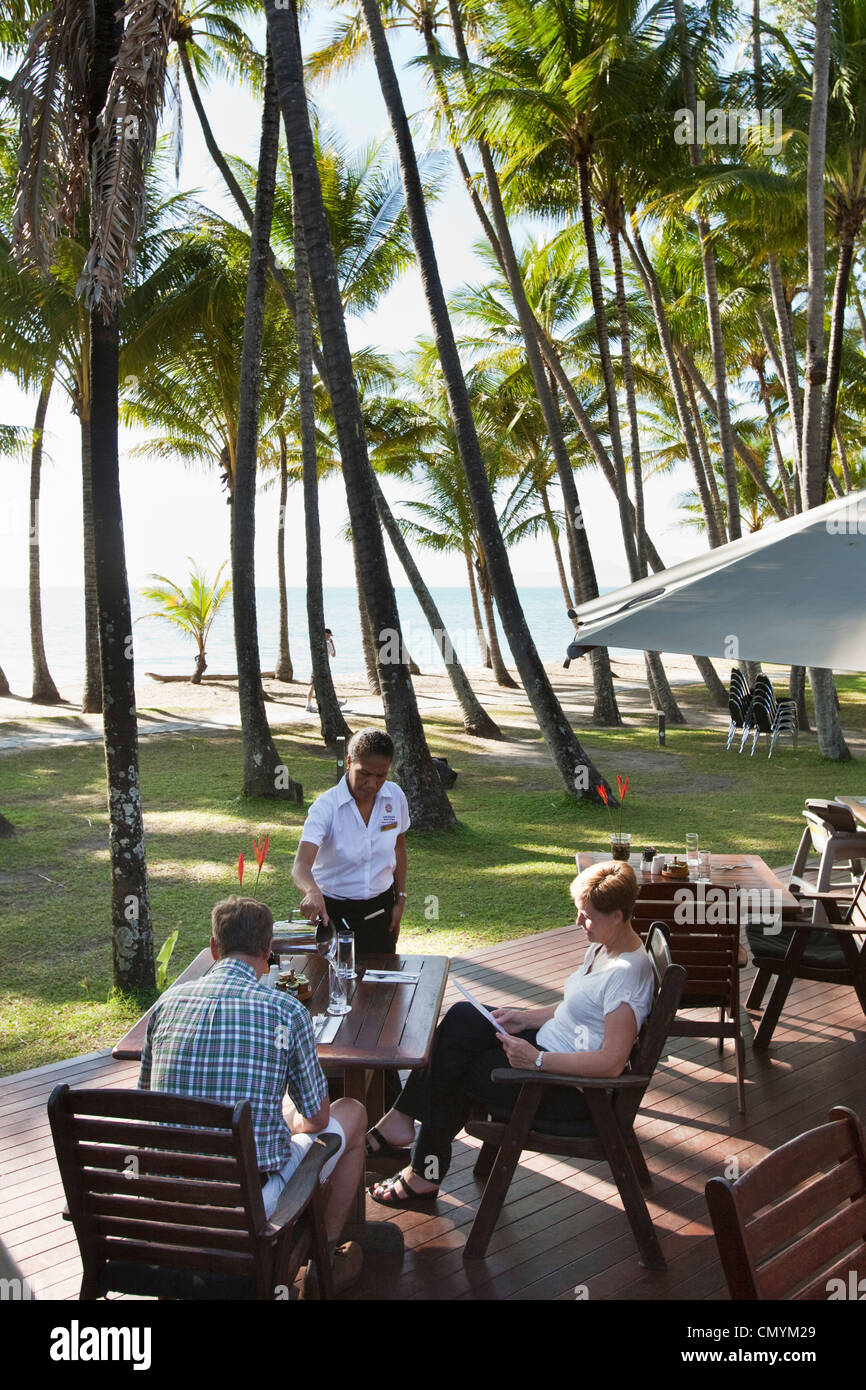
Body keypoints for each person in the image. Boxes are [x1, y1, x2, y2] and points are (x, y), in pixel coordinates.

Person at [365, 860, 655, 1203]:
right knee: (461, 1017)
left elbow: (610, 1063)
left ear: (618, 915)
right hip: (549, 1051)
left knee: (454, 1066)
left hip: (568, 1092)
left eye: (587, 916)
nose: (579, 922)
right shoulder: (606, 946)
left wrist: (537, 1061)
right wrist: (526, 1018)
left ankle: (421, 1167)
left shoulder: (625, 974)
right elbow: (581, 1010)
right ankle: (403, 1124)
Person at [138, 896, 367, 1294]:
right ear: (268, 950)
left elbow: (147, 1110)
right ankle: (324, 1258)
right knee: (353, 1112)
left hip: (171, 1201)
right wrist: (292, 1116)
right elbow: (316, 1120)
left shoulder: (165, 1006)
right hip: (249, 1202)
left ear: (214, 947)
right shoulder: (286, 1011)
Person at [292, 727, 409, 956]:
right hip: (333, 914)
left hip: (381, 911)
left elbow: (399, 848)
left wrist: (400, 899)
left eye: (381, 775)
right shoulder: (326, 807)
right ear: (348, 762)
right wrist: (312, 891)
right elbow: (300, 866)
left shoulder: (395, 797)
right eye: (364, 774)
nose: (372, 784)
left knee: (382, 986)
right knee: (330, 985)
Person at [306, 628, 339, 713]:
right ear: (325, 634)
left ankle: (309, 704)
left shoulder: (317, 642)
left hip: (316, 666)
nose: (330, 637)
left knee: (314, 685)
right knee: (318, 685)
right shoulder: (327, 644)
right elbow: (334, 654)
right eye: (329, 635)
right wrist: (332, 644)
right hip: (324, 667)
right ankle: (309, 705)